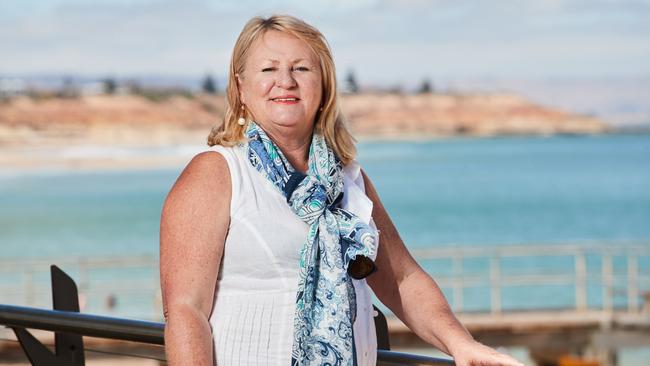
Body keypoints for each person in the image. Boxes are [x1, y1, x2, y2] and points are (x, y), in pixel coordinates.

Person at [160, 14, 524, 366]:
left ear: (324, 86)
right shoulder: (217, 171)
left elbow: (402, 279)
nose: (285, 81)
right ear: (240, 87)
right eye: (268, 69)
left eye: (301, 68)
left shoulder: (349, 180)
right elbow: (185, 309)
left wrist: (461, 344)